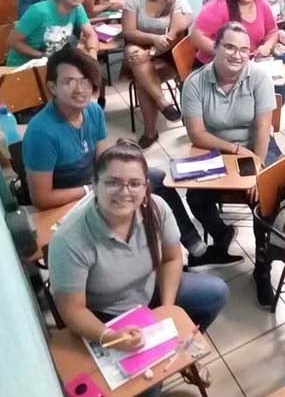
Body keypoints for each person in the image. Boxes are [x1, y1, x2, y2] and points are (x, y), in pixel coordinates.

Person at [23, 46, 238, 268]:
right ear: (53, 87)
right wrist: (92, 189)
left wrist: (124, 171)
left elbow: (104, 159)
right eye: (69, 82)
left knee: (154, 178)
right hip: (71, 203)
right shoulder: (42, 133)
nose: (80, 89)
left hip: (98, 188)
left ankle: (194, 249)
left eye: (86, 81)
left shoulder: (92, 111)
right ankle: (160, 262)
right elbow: (42, 198)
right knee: (139, 195)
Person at [47, 139, 229, 364]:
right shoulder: (69, 239)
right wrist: (110, 337)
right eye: (113, 182)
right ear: (94, 184)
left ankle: (179, 350)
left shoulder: (157, 208)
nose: (124, 192)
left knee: (216, 292)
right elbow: (72, 310)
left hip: (151, 291)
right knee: (148, 385)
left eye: (134, 184)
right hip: (109, 314)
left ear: (145, 187)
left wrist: (167, 308)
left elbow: (172, 259)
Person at [182, 22, 283, 298]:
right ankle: (221, 234)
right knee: (196, 198)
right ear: (214, 47)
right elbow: (198, 134)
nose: (237, 55)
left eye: (243, 50)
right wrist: (236, 151)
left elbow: (263, 129)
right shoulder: (195, 83)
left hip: (258, 146)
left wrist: (256, 172)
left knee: (266, 200)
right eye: (229, 47)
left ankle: (262, 267)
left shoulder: (259, 77)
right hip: (218, 149)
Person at [122, 0, 192, 148]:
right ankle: (162, 101)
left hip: (169, 55)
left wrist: (150, 53)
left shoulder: (179, 1)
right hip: (138, 52)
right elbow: (128, 32)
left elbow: (172, 37)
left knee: (143, 81)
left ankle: (150, 133)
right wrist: (152, 39)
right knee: (133, 52)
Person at [191, 0, 278, 65]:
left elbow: (272, 32)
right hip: (214, 67)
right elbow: (196, 38)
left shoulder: (261, 3)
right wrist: (225, 54)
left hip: (248, 65)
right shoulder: (218, 6)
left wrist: (267, 46)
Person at [7, 0, 98, 67]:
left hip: (51, 63)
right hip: (23, 65)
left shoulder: (77, 8)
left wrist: (92, 54)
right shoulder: (39, 11)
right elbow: (13, 41)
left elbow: (91, 34)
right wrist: (42, 56)